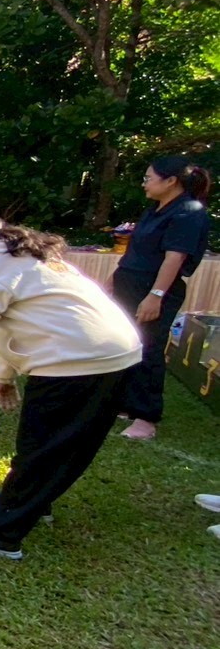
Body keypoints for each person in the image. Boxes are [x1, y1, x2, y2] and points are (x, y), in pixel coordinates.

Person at [0, 205, 142, 561]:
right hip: (118, 353)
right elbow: (14, 321)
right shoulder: (20, 252)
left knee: (43, 443)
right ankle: (31, 500)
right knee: (61, 443)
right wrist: (4, 375)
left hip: (76, 358)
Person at [109, 157, 213, 441]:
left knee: (148, 347)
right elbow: (136, 252)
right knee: (127, 343)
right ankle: (126, 403)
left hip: (154, 289)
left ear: (171, 181)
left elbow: (174, 258)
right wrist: (113, 279)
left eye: (148, 178)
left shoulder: (189, 212)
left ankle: (146, 417)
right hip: (130, 283)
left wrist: (155, 296)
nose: (144, 184)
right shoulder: (155, 209)